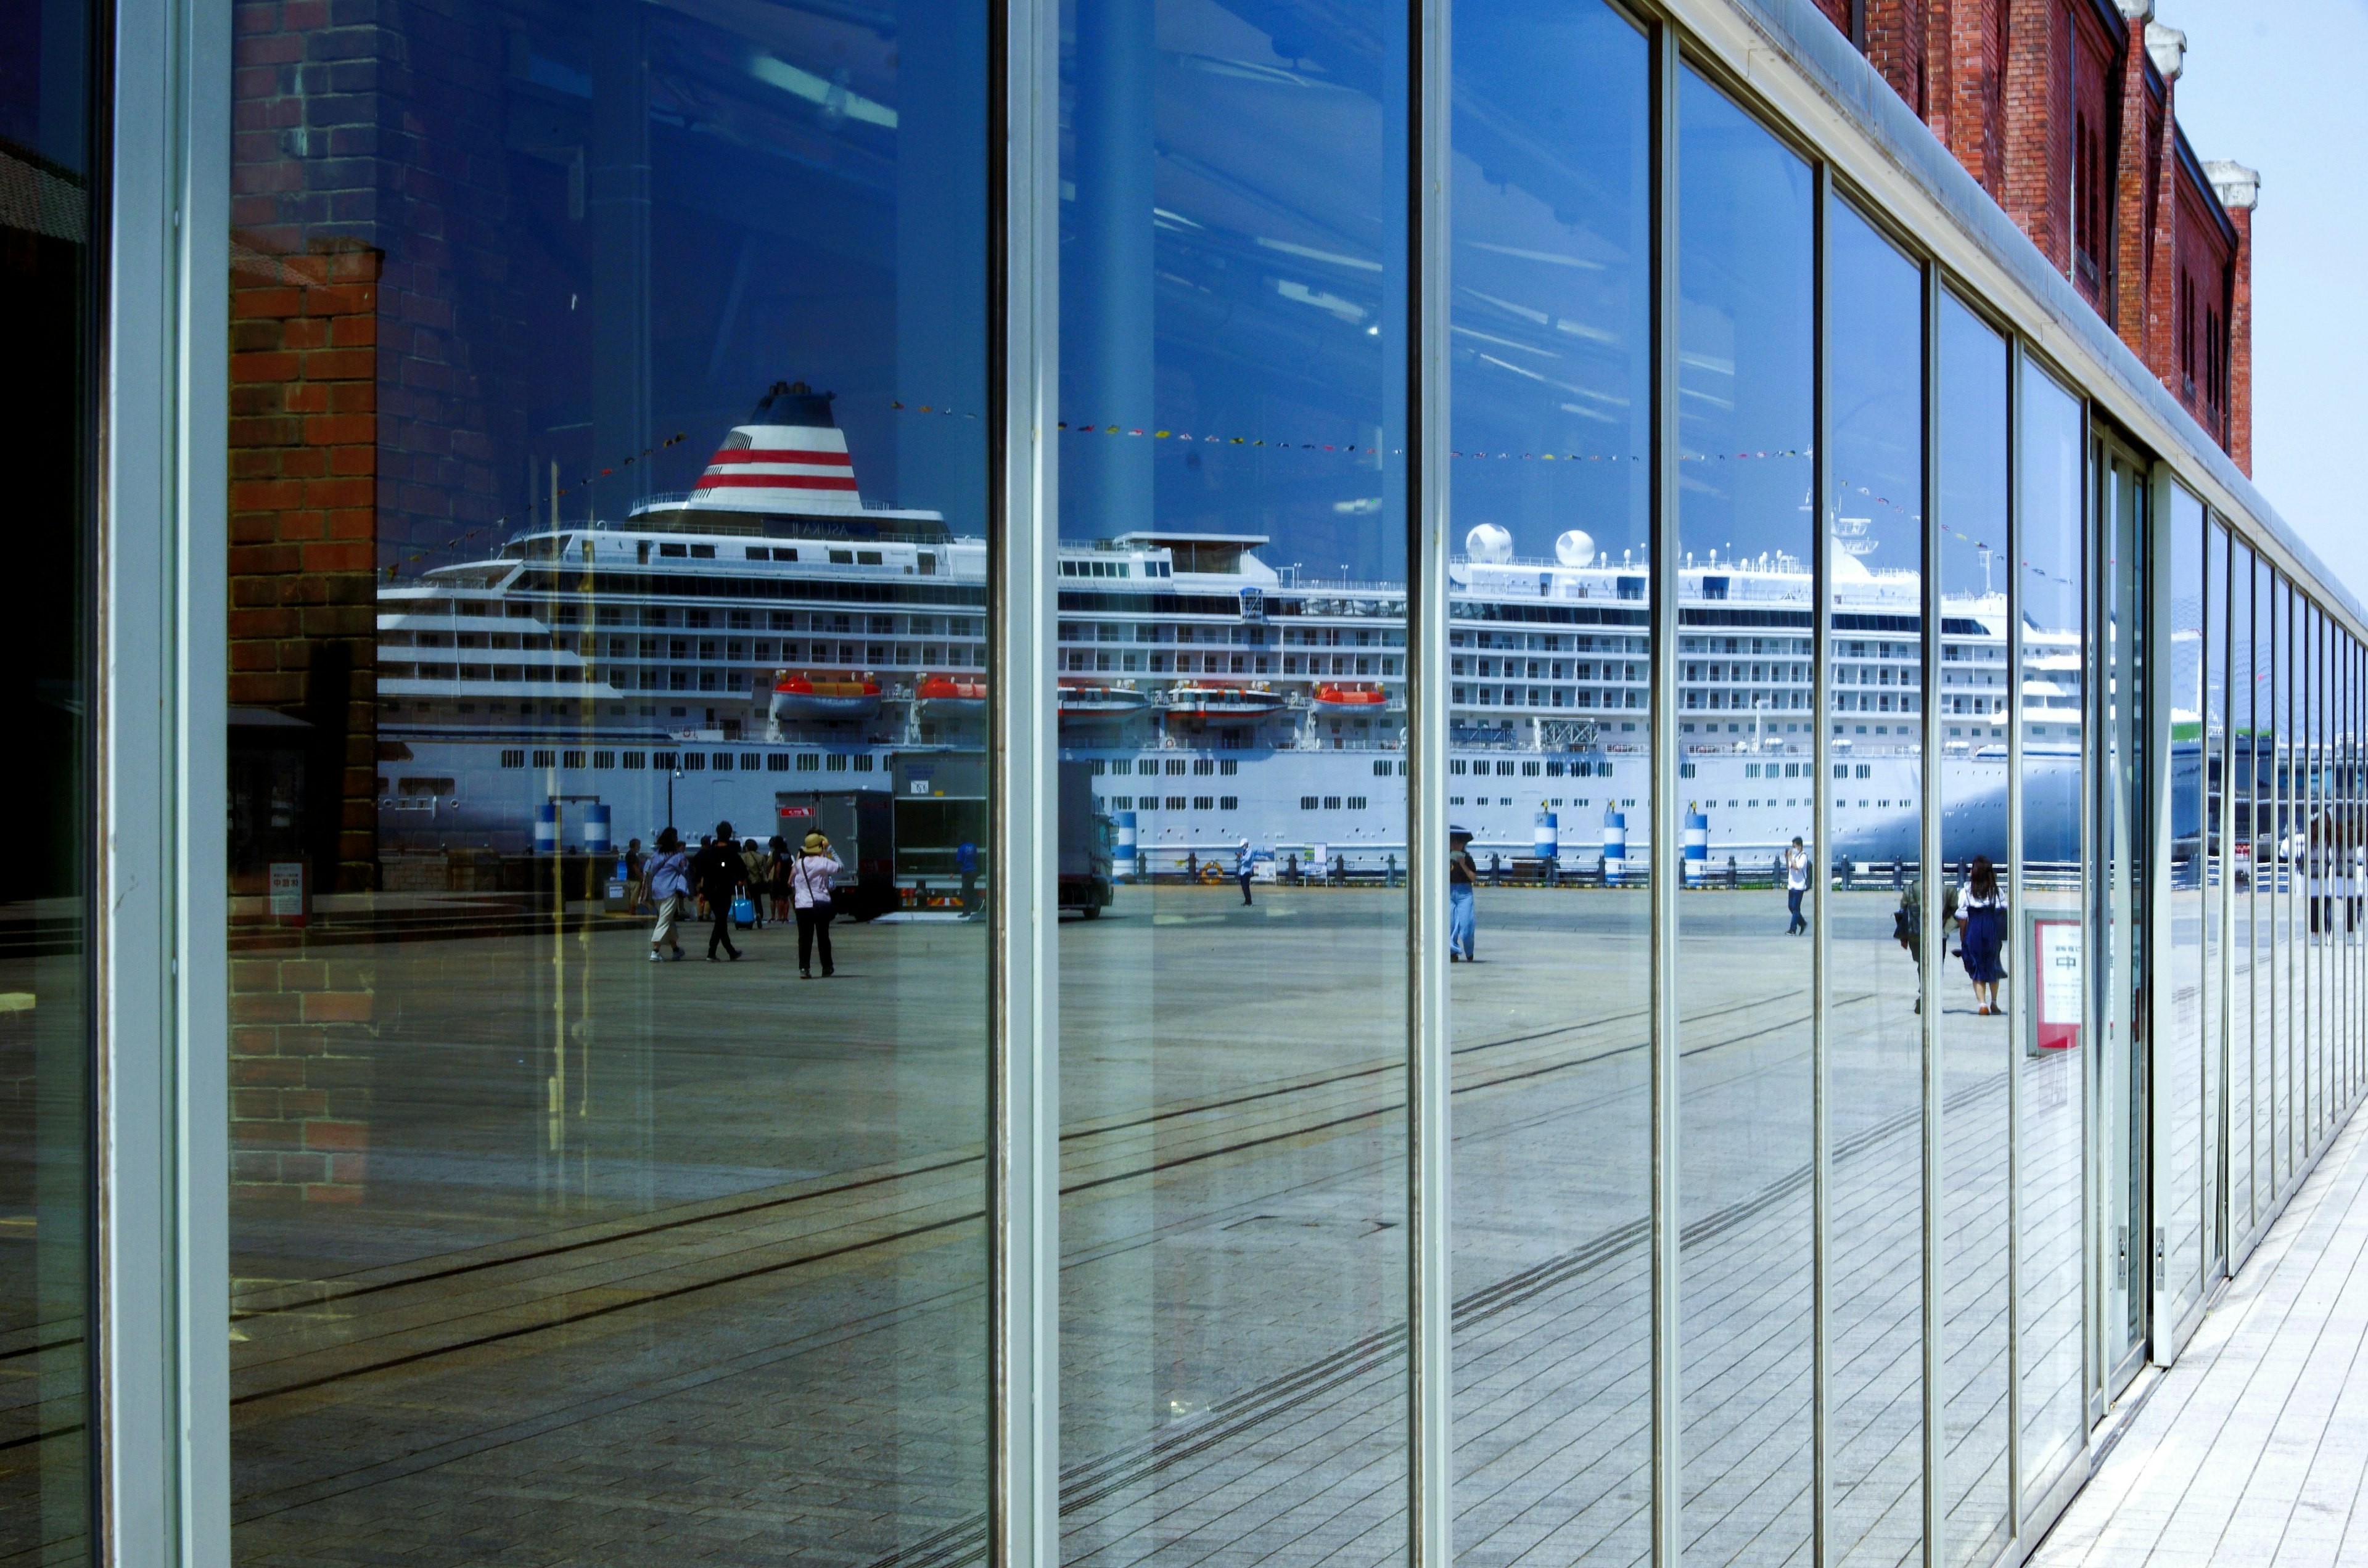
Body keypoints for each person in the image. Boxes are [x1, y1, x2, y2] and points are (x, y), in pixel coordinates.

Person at [1957, 855, 2008, 1016]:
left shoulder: (1966, 891)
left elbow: (1963, 918)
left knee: (1977, 968)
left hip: (1974, 930)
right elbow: (2002, 911)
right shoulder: (1996, 891)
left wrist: (1963, 937)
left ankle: (1982, 1004)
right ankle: (1994, 1002)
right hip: (1992, 931)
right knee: (1993, 966)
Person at [689, 820, 747, 961]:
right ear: (729, 835)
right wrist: (739, 880)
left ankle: (731, 951)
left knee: (721, 921)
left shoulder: (709, 853)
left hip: (710, 890)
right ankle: (711, 952)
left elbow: (695, 863)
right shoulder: (732, 854)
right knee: (721, 920)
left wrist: (699, 880)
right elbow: (743, 871)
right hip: (725, 890)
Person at [790, 830, 844, 978]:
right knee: (823, 937)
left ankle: (804, 968)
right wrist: (830, 850)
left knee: (804, 938)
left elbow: (793, 876)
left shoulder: (799, 863)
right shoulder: (823, 862)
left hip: (802, 905)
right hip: (820, 904)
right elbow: (840, 866)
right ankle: (827, 967)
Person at [640, 827, 691, 963]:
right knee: (664, 921)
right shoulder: (677, 855)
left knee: (668, 920)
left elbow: (648, 870)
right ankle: (655, 951)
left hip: (656, 891)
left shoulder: (656, 854)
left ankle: (676, 950)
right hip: (669, 890)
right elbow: (684, 869)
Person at [1448, 827, 1478, 962]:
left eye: (1459, 843)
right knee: (1450, 924)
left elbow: (1473, 878)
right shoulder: (1444, 858)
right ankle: (1452, 952)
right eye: (1453, 842)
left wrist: (1463, 865)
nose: (1455, 845)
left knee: (1467, 926)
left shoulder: (1468, 859)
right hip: (1448, 892)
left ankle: (1469, 950)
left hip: (1464, 893)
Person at [739, 837, 768, 930]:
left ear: (747, 847)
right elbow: (765, 870)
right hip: (758, 882)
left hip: (748, 882)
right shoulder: (761, 857)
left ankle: (749, 919)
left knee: (748, 901)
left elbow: (742, 871)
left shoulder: (743, 857)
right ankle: (759, 914)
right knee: (757, 900)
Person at [1784, 836, 1810, 935]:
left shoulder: (1803, 857)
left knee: (1796, 908)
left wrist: (1790, 857)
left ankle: (1793, 929)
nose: (1793, 848)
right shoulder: (1794, 856)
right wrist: (1787, 858)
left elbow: (1797, 867)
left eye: (1794, 846)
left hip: (1799, 886)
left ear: (1799, 846)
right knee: (1791, 907)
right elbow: (1789, 868)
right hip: (1792, 885)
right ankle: (1802, 923)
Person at [767, 835, 792, 925]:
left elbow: (778, 864)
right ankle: (786, 917)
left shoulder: (776, 852)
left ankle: (780, 917)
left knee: (780, 898)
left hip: (780, 877)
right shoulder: (787, 852)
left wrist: (777, 876)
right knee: (786, 898)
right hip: (787, 876)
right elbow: (790, 864)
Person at [957, 839, 980, 920]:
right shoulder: (973, 846)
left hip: (966, 872)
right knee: (971, 890)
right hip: (974, 871)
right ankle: (975, 906)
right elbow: (977, 858)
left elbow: (959, 861)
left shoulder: (961, 848)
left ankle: (967, 911)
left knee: (965, 892)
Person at [1235, 837, 1254, 906]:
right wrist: (1239, 857)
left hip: (1247, 871)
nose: (1243, 847)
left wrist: (1241, 856)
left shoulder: (1250, 851)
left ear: (1246, 844)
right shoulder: (1244, 851)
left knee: (1246, 887)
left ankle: (1249, 902)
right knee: (1243, 887)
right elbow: (1243, 859)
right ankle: (1247, 901)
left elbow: (1248, 859)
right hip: (1242, 871)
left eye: (1244, 845)